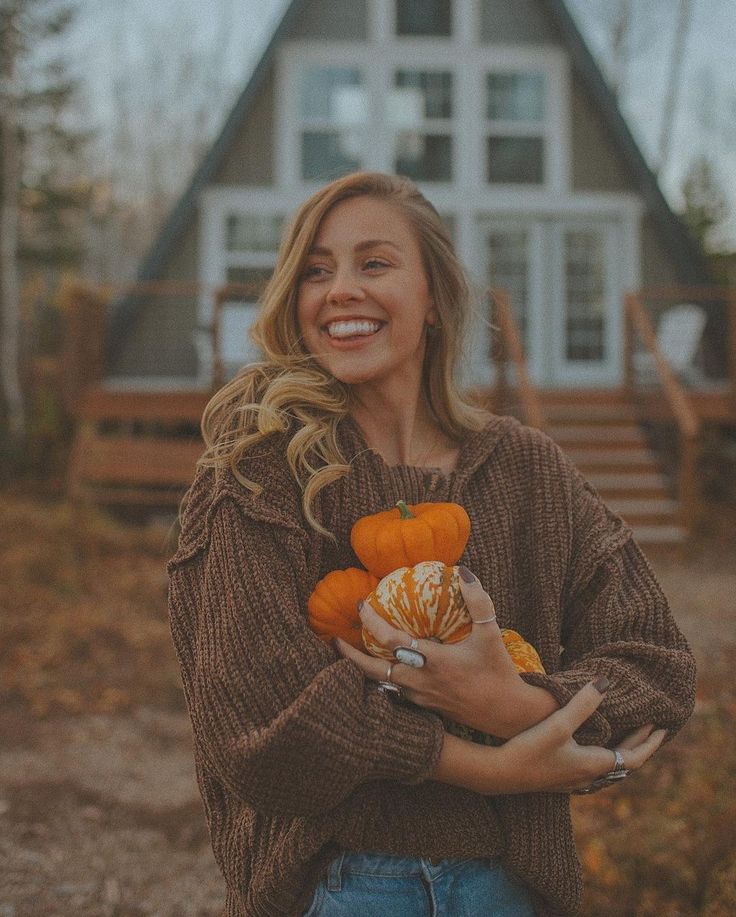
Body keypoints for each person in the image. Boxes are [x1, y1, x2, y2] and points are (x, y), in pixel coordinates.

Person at [167, 172, 696, 917]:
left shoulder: (527, 468)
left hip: (511, 887)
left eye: (373, 263)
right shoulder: (263, 461)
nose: (340, 288)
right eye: (317, 270)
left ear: (436, 298)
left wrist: (513, 703)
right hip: (341, 885)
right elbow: (254, 726)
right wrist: (491, 766)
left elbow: (657, 660)